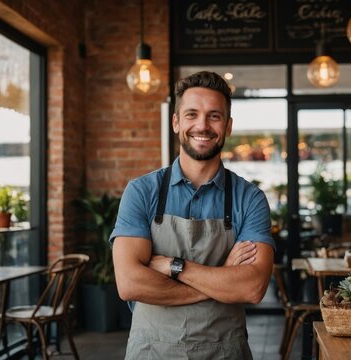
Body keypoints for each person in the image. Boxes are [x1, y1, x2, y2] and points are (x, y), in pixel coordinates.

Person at [110, 71, 275, 359]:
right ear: (176, 123)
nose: (202, 125)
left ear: (228, 126)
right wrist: (223, 278)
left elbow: (252, 287)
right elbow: (130, 283)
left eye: (214, 116)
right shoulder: (141, 192)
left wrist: (175, 267)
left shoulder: (250, 198)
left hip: (226, 352)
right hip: (152, 351)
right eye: (191, 114)